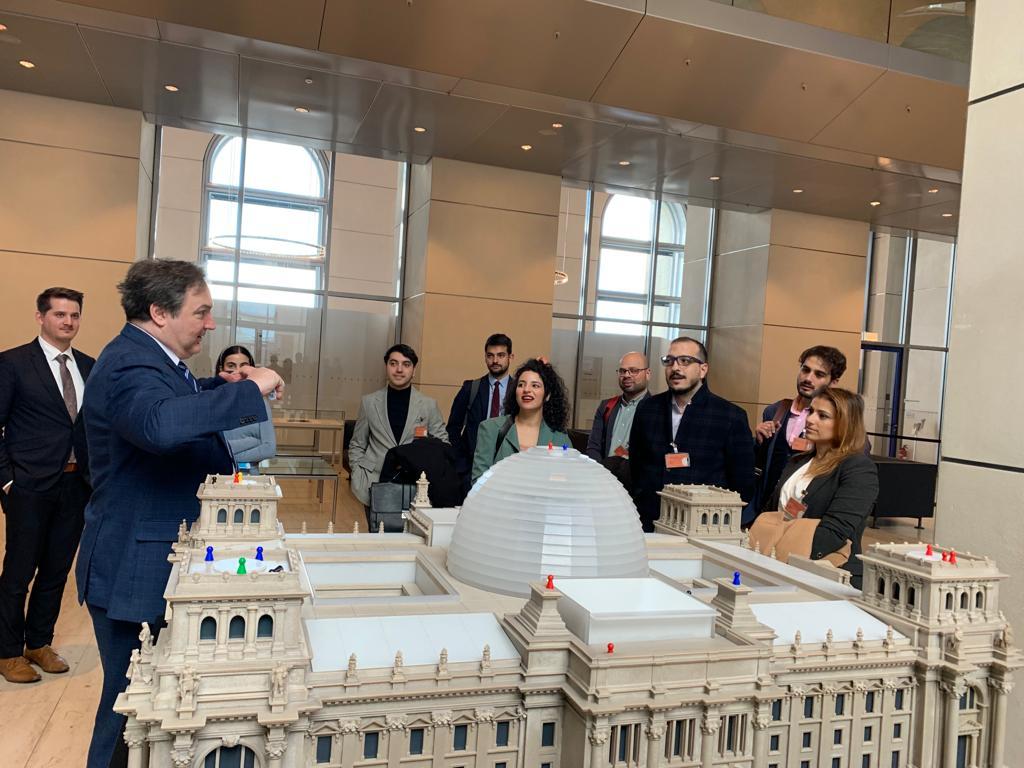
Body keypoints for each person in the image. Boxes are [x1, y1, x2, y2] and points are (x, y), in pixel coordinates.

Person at [76, 260, 283, 768]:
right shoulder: (129, 363)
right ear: (159, 312)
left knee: (150, 708)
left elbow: (181, 399)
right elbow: (160, 423)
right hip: (135, 566)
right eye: (201, 312)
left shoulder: (155, 359)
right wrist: (248, 391)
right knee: (130, 710)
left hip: (152, 559)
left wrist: (228, 386)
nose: (210, 324)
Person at [0, 287, 94, 684]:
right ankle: (7, 652)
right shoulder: (13, 363)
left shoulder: (88, 366)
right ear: (41, 317)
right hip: (29, 486)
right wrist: (8, 480)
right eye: (59, 314)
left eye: (74, 315)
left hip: (76, 485)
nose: (68, 321)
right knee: (18, 572)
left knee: (56, 571)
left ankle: (38, 643)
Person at [629, 337, 755, 532]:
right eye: (670, 361)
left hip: (703, 528)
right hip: (650, 520)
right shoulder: (647, 409)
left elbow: (742, 483)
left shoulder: (729, 416)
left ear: (703, 369)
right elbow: (636, 466)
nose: (675, 368)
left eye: (685, 361)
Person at [760, 388, 878, 587]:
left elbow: (835, 532)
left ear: (844, 424)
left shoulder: (858, 469)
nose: (810, 419)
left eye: (822, 416)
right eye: (811, 412)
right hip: (777, 563)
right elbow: (770, 512)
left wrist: (785, 550)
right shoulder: (797, 461)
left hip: (827, 574)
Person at [750, 346, 847, 524]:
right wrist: (759, 440)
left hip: (807, 516)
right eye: (805, 369)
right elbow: (761, 462)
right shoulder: (775, 411)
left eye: (819, 374)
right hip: (767, 510)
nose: (808, 378)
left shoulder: (838, 420)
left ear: (833, 382)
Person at [348, 343, 448, 507]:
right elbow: (357, 444)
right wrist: (358, 473)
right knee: (377, 524)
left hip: (416, 487)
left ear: (413, 371)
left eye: (406, 364)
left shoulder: (428, 405)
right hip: (373, 483)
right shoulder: (369, 402)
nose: (399, 369)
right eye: (393, 363)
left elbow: (443, 445)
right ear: (386, 367)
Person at [472, 358, 571, 483]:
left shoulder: (560, 438)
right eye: (521, 384)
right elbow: (479, 481)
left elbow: (566, 482)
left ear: (547, 395)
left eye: (535, 385)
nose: (526, 390)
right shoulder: (490, 429)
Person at [447, 334, 514, 496]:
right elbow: (453, 428)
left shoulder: (519, 390)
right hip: (471, 469)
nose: (495, 360)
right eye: (490, 356)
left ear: (510, 357)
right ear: (485, 357)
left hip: (508, 468)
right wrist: (460, 464)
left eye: (501, 355)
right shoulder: (471, 388)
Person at [585, 351, 651, 490]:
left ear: (647, 373)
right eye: (622, 371)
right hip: (603, 483)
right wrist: (599, 476)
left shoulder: (656, 409)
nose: (627, 375)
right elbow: (593, 447)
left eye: (634, 370)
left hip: (636, 486)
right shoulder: (606, 406)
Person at [215, 345, 277, 465]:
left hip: (250, 474)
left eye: (244, 366)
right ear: (221, 368)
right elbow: (209, 448)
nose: (238, 371)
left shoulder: (260, 402)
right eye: (231, 366)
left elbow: (269, 449)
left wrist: (225, 456)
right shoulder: (212, 400)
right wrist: (254, 441)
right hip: (218, 474)